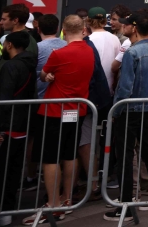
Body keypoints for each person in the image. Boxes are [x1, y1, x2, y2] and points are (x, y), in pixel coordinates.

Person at [108, 11, 148, 221]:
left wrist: (116, 110)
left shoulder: (132, 53)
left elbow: (125, 87)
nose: (124, 27)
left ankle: (125, 205)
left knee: (125, 157)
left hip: (130, 110)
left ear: (134, 28)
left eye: (127, 25)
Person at [31, 15, 94, 222]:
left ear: (63, 31)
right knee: (69, 154)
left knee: (50, 158)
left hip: (55, 110)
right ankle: (67, 199)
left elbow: (43, 76)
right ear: (84, 29)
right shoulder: (89, 50)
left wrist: (46, 76)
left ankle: (53, 202)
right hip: (77, 109)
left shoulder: (59, 54)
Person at [0, 31, 37, 217]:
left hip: (7, 127)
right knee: (12, 171)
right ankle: (7, 212)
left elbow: (3, 99)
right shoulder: (29, 65)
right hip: (21, 126)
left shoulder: (10, 67)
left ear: (9, 45)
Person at [35, 14, 66, 98]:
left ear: (38, 29)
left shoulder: (36, 48)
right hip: (60, 97)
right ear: (57, 29)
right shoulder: (67, 45)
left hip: (39, 97)